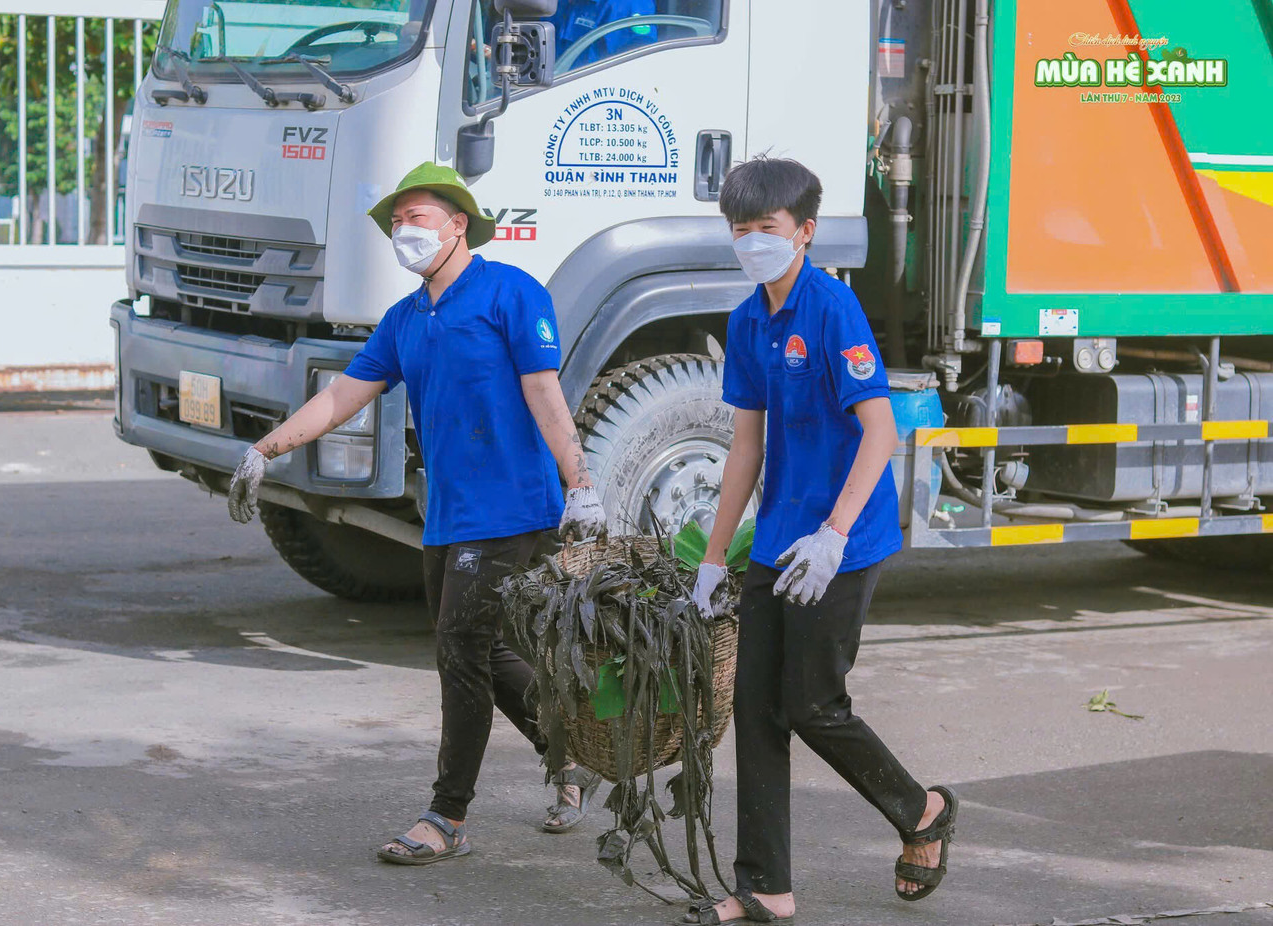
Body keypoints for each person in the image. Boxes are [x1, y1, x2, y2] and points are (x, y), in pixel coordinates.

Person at [225, 161, 610, 864]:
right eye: (397, 222)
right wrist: (265, 449)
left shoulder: (511, 295)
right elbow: (344, 395)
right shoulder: (405, 320)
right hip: (449, 515)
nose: (405, 231)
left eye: (418, 218)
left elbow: (544, 393)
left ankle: (448, 816)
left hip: (512, 509)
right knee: (483, 651)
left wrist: (580, 483)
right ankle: (570, 755)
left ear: (458, 224)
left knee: (459, 652)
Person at [684, 157, 960, 922]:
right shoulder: (746, 320)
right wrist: (713, 556)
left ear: (804, 232)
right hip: (777, 541)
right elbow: (745, 447)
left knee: (812, 704)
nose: (751, 244)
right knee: (757, 710)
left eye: (765, 230)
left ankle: (922, 809)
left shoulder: (833, 310)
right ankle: (764, 886)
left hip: (845, 539)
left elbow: (879, 429)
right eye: (739, 231)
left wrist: (835, 535)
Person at [549, 0, 658, 70]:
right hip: (554, 89)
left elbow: (639, 63)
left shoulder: (629, 4)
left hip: (594, 98)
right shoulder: (556, 3)